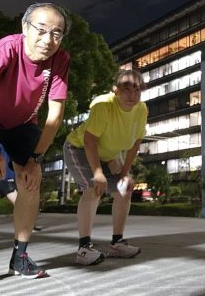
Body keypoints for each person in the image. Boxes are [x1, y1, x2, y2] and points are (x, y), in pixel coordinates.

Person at [0, 2, 71, 291]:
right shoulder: (5, 50)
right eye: (41, 30)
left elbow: (54, 116)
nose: (48, 40)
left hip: (22, 123)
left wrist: (35, 159)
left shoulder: (60, 59)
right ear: (24, 27)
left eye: (57, 33)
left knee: (31, 181)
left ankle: (20, 256)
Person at [63, 70, 147, 266]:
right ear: (115, 89)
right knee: (94, 188)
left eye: (137, 90)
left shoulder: (141, 109)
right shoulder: (103, 105)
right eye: (126, 89)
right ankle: (84, 248)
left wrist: (124, 173)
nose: (132, 95)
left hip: (108, 155)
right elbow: (90, 140)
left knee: (126, 187)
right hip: (80, 148)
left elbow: (135, 143)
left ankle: (117, 243)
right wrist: (98, 173)